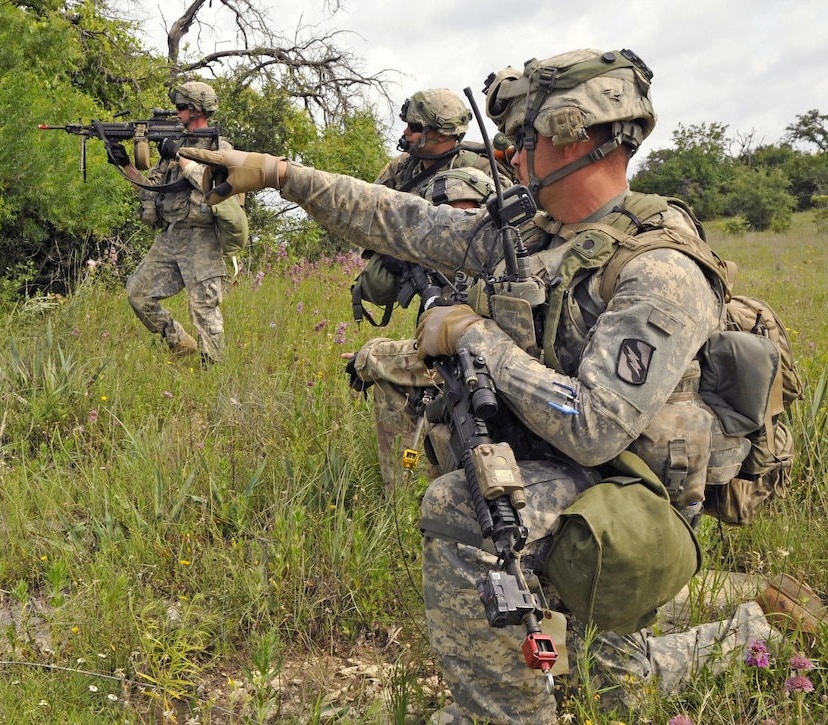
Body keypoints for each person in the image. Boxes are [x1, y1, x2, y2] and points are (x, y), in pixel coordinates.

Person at [179, 49, 817, 724]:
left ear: (577, 135)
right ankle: (754, 629)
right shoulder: (539, 229)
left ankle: (507, 713)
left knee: (459, 506)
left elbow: (595, 424)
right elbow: (402, 221)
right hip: (573, 474)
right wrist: (279, 175)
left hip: (637, 501)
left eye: (524, 139)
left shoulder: (661, 271)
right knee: (618, 689)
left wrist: (470, 334)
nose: (510, 156)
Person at [348, 88, 509, 493]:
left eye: (417, 128)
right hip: (427, 283)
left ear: (443, 134)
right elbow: (370, 219)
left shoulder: (483, 168)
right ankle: (415, 485)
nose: (407, 133)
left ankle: (435, 484)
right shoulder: (401, 171)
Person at [106, 80, 247, 364]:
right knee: (138, 293)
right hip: (171, 236)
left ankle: (214, 369)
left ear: (197, 110)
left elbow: (215, 188)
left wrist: (180, 157)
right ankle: (180, 343)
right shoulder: (173, 147)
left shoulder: (221, 148)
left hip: (203, 238)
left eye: (181, 107)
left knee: (204, 309)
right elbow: (153, 190)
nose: (177, 112)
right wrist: (126, 166)